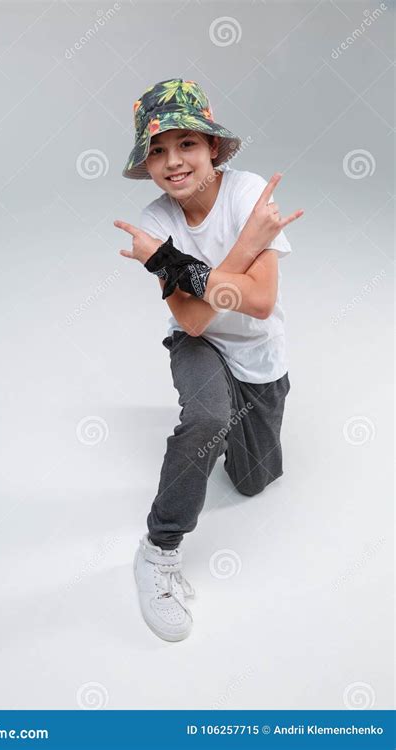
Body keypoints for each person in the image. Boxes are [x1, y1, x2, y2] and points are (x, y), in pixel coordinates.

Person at [114, 78, 304, 642]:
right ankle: (158, 550)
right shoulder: (154, 226)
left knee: (252, 481)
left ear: (213, 148)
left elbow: (262, 302)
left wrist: (179, 266)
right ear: (146, 165)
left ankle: (228, 441)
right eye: (157, 151)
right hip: (198, 344)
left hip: (259, 355)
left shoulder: (248, 194)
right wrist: (243, 251)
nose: (173, 162)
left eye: (186, 145)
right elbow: (194, 321)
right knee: (206, 418)